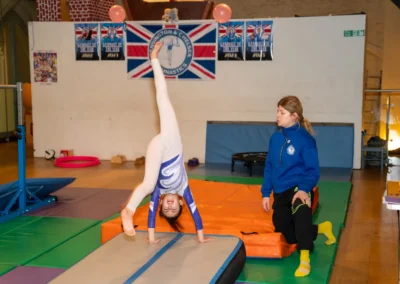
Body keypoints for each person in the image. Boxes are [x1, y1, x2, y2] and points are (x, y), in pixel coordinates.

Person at [121, 41, 212, 244]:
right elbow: (196, 215)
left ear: (161, 203)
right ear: (180, 203)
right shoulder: (184, 189)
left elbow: (151, 217)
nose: (170, 206)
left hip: (158, 147)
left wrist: (151, 238)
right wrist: (201, 237)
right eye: (174, 209)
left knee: (150, 184)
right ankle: (153, 58)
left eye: (166, 208)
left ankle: (128, 211)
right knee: (162, 95)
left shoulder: (159, 193)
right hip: (171, 140)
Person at [261, 96, 336, 277]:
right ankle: (321, 229)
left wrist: (303, 189)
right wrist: (265, 192)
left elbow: (313, 170)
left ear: (294, 116)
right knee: (287, 234)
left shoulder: (305, 140)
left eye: (282, 112)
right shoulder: (275, 138)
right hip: (280, 190)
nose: (277, 115)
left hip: (299, 186)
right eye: (277, 111)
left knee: (301, 214)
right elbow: (269, 166)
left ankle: (305, 259)